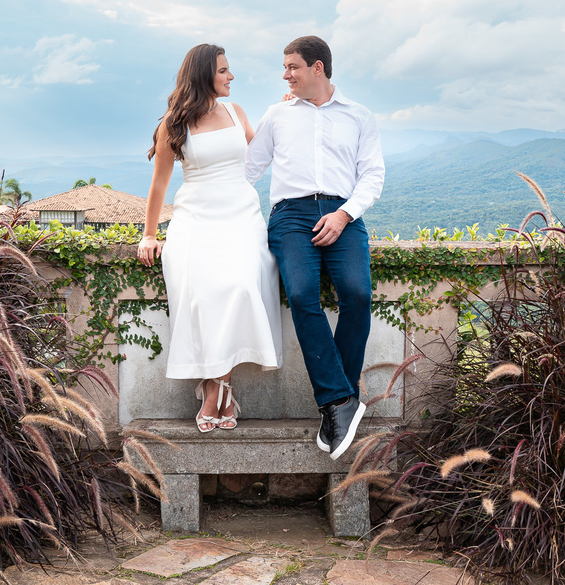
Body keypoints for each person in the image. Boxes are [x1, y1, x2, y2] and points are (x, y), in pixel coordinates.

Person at [245, 36, 385, 461]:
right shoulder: (277, 115)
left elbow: (372, 175)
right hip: (290, 216)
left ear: (317, 67)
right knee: (303, 295)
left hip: (345, 213)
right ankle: (340, 400)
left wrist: (344, 215)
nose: (285, 75)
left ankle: (337, 404)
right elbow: (248, 169)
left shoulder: (359, 116)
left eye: (292, 67)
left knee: (357, 294)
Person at [138, 43, 282, 433]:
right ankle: (220, 391)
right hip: (196, 218)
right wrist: (149, 235)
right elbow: (159, 184)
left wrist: (285, 112)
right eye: (223, 70)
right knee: (202, 292)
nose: (230, 76)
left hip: (241, 215)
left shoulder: (236, 113)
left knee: (240, 285)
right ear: (204, 74)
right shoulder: (173, 124)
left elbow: (262, 153)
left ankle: (215, 386)